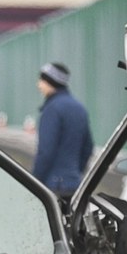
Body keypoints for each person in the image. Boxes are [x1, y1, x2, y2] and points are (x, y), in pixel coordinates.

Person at [33, 61, 94, 205]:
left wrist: (35, 181)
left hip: (52, 186)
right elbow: (88, 147)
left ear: (51, 82)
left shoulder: (52, 110)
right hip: (73, 184)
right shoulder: (79, 108)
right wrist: (74, 171)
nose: (39, 85)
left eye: (42, 80)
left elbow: (45, 151)